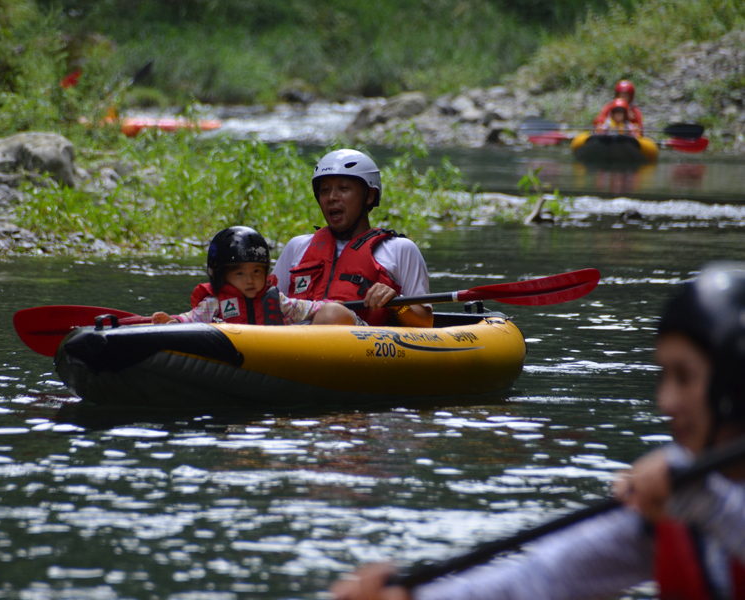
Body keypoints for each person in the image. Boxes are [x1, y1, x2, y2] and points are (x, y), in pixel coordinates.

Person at [330, 262, 745, 600]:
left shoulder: (685, 490)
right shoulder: (672, 491)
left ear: (734, 381)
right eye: (663, 377)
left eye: (684, 378)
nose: (667, 401)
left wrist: (701, 499)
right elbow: (539, 580)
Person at [271, 149, 434, 328]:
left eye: (344, 188)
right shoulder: (297, 246)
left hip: (366, 344)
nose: (332, 197)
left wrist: (397, 305)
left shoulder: (400, 250)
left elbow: (425, 323)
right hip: (294, 341)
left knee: (331, 314)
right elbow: (265, 302)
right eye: (325, 190)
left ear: (369, 196)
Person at [152, 226, 355, 326]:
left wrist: (332, 304)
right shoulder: (213, 305)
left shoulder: (277, 300)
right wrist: (174, 321)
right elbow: (191, 319)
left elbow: (306, 308)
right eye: (240, 273)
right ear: (222, 275)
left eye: (256, 272)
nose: (250, 280)